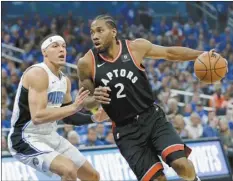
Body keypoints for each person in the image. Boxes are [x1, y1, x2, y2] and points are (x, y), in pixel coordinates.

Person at [77, 15, 224, 181]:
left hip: (152, 118)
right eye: (92, 32)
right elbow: (86, 101)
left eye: (100, 30)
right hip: (125, 131)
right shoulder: (86, 63)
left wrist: (201, 54)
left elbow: (170, 53)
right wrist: (95, 99)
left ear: (113, 32)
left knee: (183, 166)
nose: (94, 36)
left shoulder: (135, 48)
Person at [8, 34, 109, 181]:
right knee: (68, 170)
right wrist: (74, 107)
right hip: (26, 137)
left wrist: (94, 118)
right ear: (44, 52)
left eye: (64, 46)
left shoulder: (65, 81)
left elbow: (68, 116)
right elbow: (37, 117)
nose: (61, 49)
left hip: (50, 135)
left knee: (92, 176)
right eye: (55, 46)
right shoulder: (37, 73)